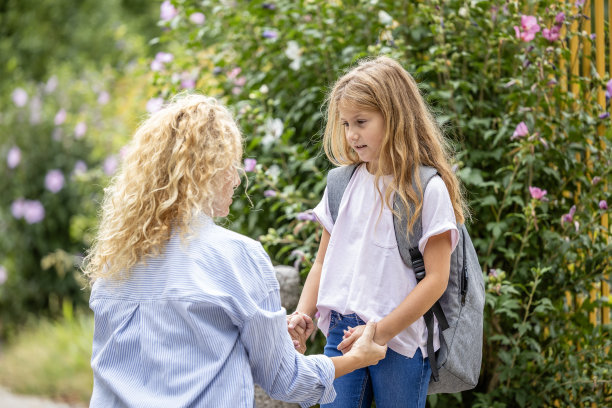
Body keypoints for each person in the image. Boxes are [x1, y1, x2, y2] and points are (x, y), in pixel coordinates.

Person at [82, 94, 387, 408]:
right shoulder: (238, 256)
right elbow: (286, 379)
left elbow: (168, 352)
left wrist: (267, 337)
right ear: (208, 173)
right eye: (231, 165)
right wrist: (356, 358)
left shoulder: (114, 263)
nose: (238, 178)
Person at [287, 56, 466, 407]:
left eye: (361, 122)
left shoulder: (426, 188)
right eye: (345, 124)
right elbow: (322, 262)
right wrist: (304, 314)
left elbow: (436, 279)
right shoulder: (342, 183)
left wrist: (378, 333)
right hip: (343, 331)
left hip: (400, 338)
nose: (351, 134)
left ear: (394, 117)